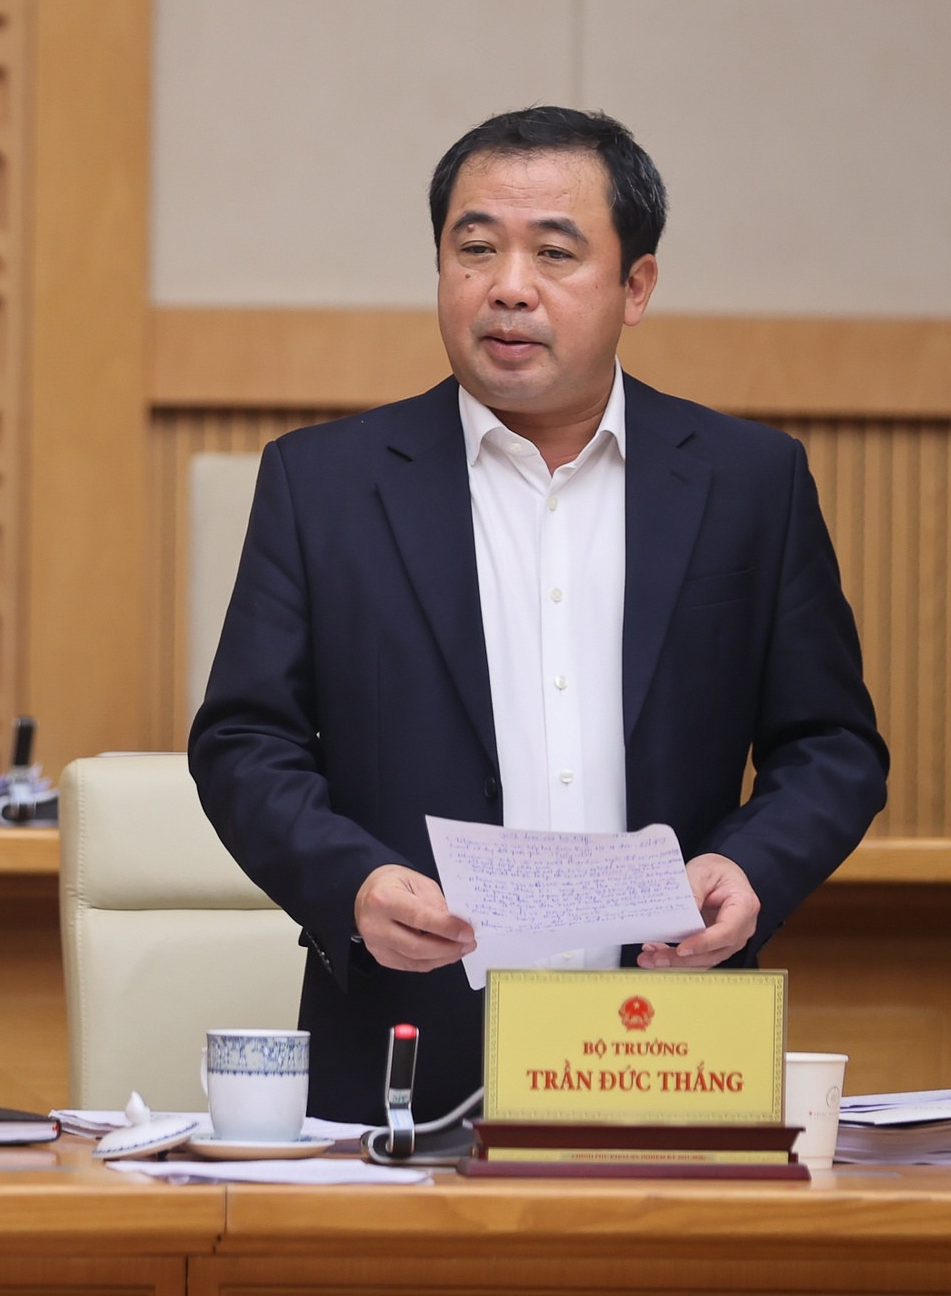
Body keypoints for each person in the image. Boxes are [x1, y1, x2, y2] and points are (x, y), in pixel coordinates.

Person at [187, 108, 888, 1123]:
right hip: (407, 1053)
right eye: (475, 248)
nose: (507, 285)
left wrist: (748, 868)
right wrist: (353, 884)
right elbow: (244, 743)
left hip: (669, 1042)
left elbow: (830, 745)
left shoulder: (748, 483)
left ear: (635, 285)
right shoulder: (324, 484)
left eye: (553, 252)